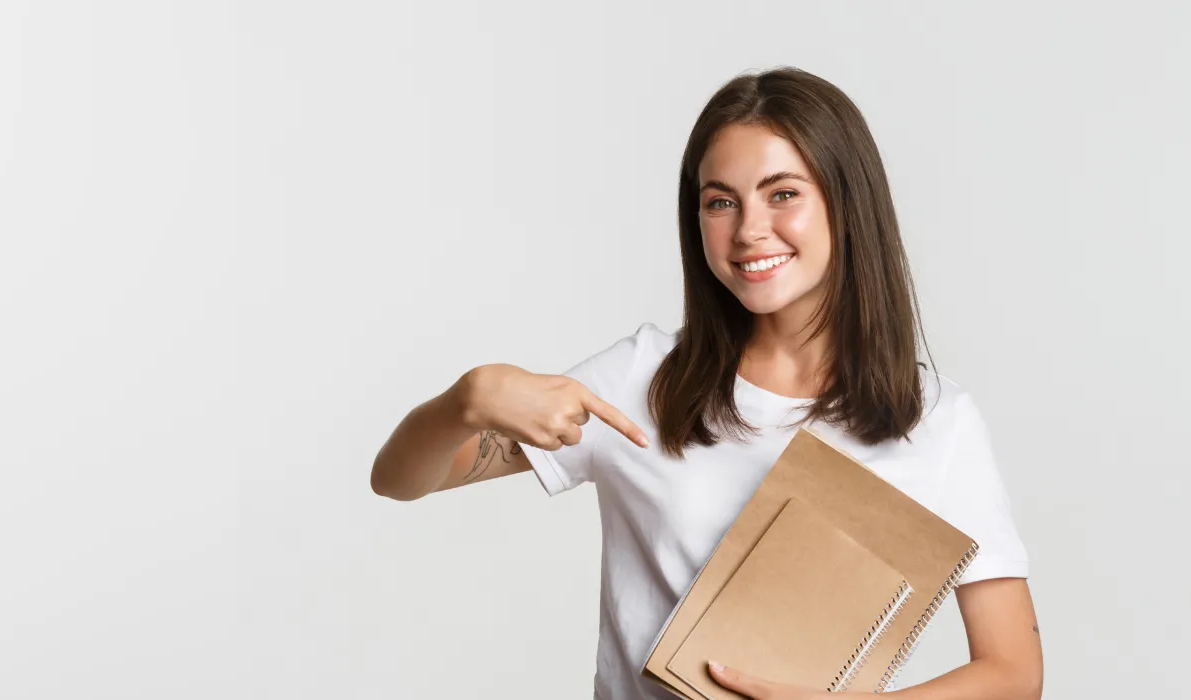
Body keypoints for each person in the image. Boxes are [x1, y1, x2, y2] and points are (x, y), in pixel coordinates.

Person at [369, 67, 1041, 700]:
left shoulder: (937, 420)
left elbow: (1013, 672)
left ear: (847, 201)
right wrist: (466, 400)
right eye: (721, 202)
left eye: (783, 194)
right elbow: (397, 479)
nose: (749, 230)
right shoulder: (645, 381)